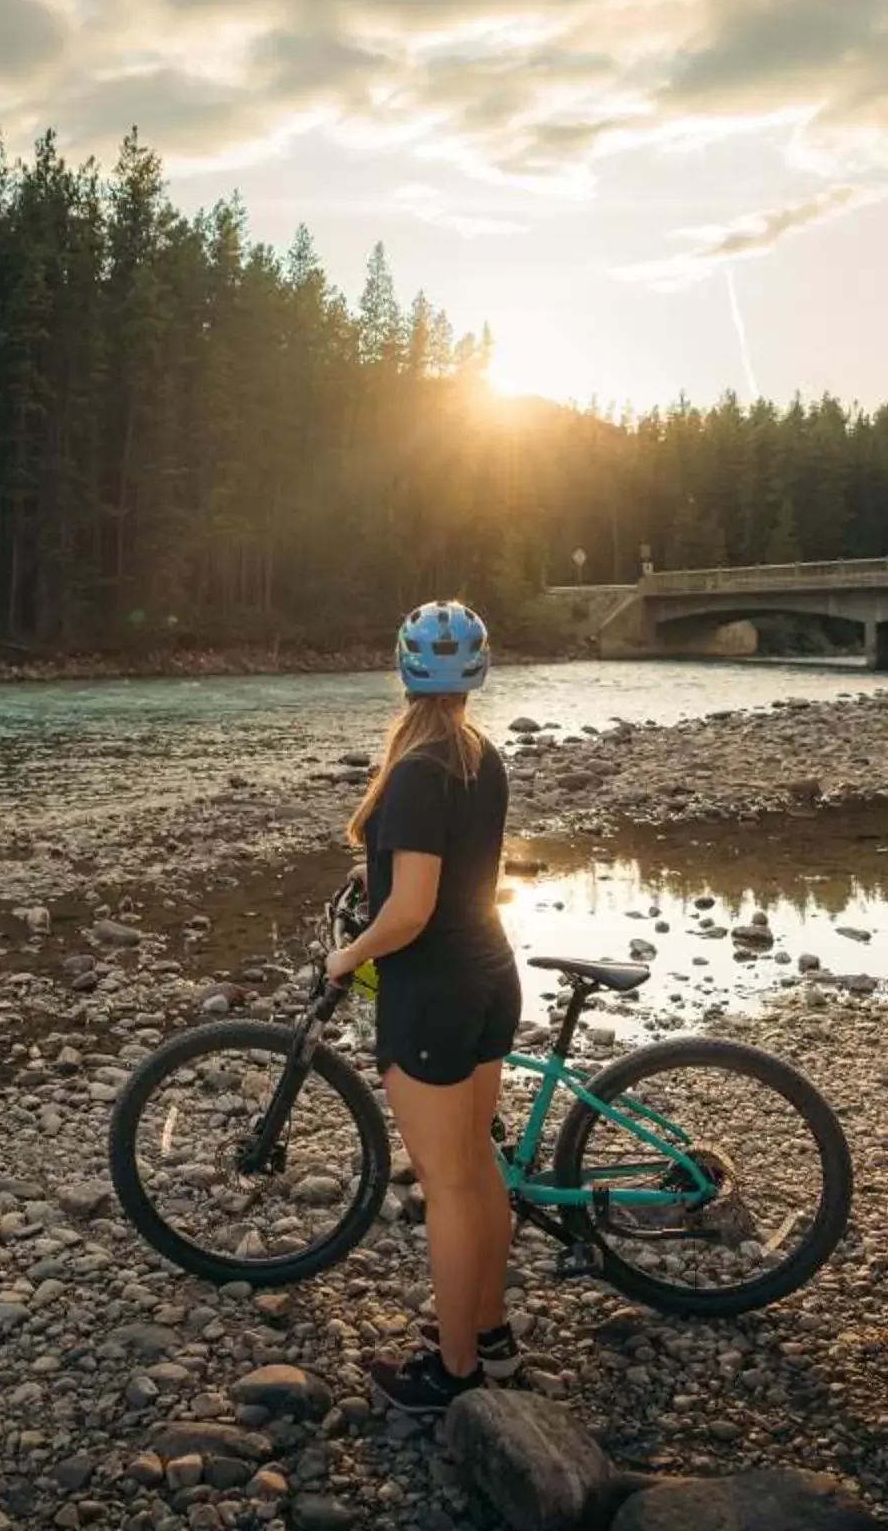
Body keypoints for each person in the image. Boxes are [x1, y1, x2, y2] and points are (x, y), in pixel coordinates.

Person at [323, 599, 524, 1412]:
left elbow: (409, 913)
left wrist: (349, 953)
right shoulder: (480, 755)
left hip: (434, 992)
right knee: (477, 1170)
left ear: (405, 668)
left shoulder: (414, 771)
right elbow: (459, 873)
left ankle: (453, 1374)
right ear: (477, 674)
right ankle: (493, 1340)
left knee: (446, 1186)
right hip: (488, 975)